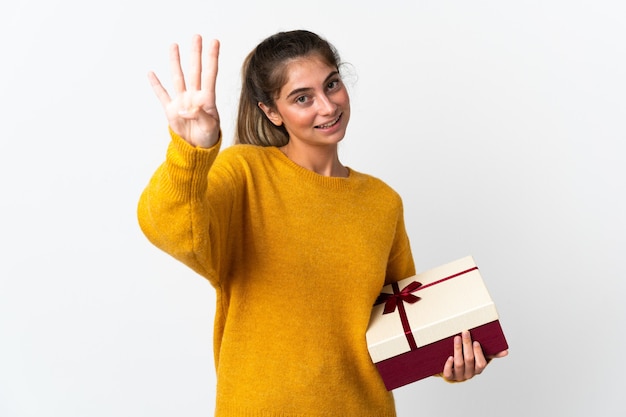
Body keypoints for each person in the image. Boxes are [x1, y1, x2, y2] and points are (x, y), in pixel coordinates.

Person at [137, 29, 507, 416]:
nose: (328, 106)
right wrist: (191, 151)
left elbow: (400, 322)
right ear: (271, 111)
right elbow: (169, 228)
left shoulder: (381, 201)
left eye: (332, 85)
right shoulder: (245, 173)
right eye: (303, 98)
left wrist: (451, 359)